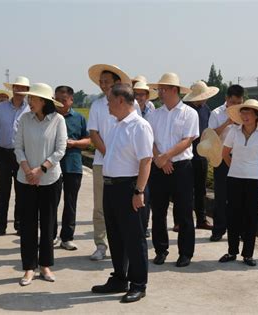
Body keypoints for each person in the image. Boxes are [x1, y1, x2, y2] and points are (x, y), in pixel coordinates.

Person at [91, 84, 153, 303]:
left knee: (134, 238)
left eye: (109, 101)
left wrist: (139, 191)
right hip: (111, 187)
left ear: (120, 100)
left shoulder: (139, 126)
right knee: (116, 235)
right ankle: (119, 278)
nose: (107, 105)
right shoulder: (117, 125)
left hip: (128, 187)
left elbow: (146, 161)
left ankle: (138, 284)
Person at [14, 83, 67, 286]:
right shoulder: (24, 119)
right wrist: (28, 170)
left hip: (50, 178)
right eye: (29, 99)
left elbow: (60, 149)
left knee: (47, 223)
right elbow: (18, 147)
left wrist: (41, 169)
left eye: (33, 99)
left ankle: (45, 265)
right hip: (25, 179)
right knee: (27, 224)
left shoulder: (58, 120)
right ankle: (28, 267)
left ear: (44, 101)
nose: (30, 102)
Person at [147, 72, 198, 267]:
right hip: (158, 166)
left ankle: (185, 253)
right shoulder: (154, 114)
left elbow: (187, 140)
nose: (160, 92)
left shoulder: (189, 113)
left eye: (163, 89)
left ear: (175, 90)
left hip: (181, 167)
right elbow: (149, 139)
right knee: (158, 210)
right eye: (159, 89)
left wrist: (166, 157)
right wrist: (159, 159)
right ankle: (160, 249)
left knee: (184, 210)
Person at [87, 64, 133, 261]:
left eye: (107, 81)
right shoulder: (97, 105)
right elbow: (94, 134)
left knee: (124, 206)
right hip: (101, 162)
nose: (103, 85)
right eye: (101, 82)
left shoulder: (131, 105)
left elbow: (133, 131)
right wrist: (109, 154)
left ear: (116, 83)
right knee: (100, 206)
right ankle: (100, 244)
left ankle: (123, 245)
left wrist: (118, 156)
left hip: (126, 165)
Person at [219, 100, 258, 266]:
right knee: (233, 215)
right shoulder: (234, 132)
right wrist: (235, 168)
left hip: (255, 181)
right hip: (234, 179)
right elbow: (225, 153)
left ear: (256, 116)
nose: (245, 116)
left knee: (251, 217)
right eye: (243, 113)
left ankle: (248, 254)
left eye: (249, 113)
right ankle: (232, 251)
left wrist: (254, 170)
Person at [0, 76, 30, 237]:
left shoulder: (30, 108)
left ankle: (19, 225)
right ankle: (0, 226)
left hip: (22, 155)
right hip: (3, 152)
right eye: (16, 87)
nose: (19, 91)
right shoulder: (0, 108)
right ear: (12, 89)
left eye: (22, 88)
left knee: (22, 191)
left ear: (27, 91)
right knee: (3, 192)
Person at [53, 85, 90, 250]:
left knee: (70, 202)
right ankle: (51, 235)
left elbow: (88, 140)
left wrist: (74, 143)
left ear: (71, 100)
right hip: (52, 166)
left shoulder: (79, 118)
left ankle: (67, 237)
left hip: (72, 165)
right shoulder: (50, 117)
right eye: (57, 100)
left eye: (63, 100)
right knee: (51, 202)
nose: (60, 103)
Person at [208, 85, 244, 241]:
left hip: (239, 158)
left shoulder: (246, 113)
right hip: (222, 158)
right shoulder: (216, 113)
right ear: (226, 99)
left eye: (239, 102)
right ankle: (218, 229)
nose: (235, 105)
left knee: (239, 197)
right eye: (233, 101)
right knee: (221, 197)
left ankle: (239, 230)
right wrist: (228, 123)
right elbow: (210, 135)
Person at [182, 81, 219, 231]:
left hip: (202, 155)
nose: (204, 99)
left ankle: (201, 219)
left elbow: (209, 131)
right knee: (184, 190)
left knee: (200, 190)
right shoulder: (185, 111)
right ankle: (181, 221)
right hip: (186, 156)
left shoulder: (206, 109)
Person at [132, 80, 157, 237]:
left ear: (147, 96)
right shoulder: (130, 108)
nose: (139, 97)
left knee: (146, 194)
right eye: (136, 94)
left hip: (148, 157)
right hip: (133, 157)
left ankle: (144, 225)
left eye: (142, 94)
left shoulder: (152, 109)